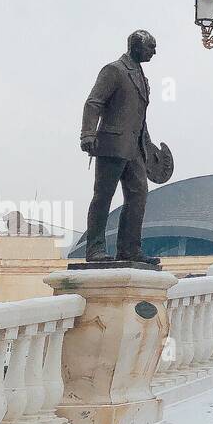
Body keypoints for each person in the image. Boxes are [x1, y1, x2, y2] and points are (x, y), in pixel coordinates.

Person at [80, 30, 169, 264]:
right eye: (151, 47)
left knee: (138, 195)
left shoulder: (143, 78)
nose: (154, 52)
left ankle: (129, 249)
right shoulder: (115, 70)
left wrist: (148, 148)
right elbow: (93, 103)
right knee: (103, 196)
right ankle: (95, 249)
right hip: (112, 144)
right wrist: (88, 134)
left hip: (135, 148)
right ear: (135, 47)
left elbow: (140, 118)